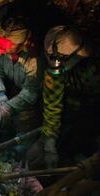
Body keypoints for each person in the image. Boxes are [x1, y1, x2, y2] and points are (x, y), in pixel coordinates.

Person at [27, 26, 100, 169]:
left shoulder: (94, 70)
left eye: (61, 59)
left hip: (91, 116)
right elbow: (52, 103)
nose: (55, 64)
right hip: (67, 111)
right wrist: (48, 140)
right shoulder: (56, 69)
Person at [0, 16, 42, 133]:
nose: (3, 48)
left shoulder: (34, 60)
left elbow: (30, 92)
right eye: (1, 42)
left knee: (21, 128)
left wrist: (8, 107)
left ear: (22, 42)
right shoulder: (1, 50)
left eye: (9, 44)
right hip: (14, 92)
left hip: (36, 102)